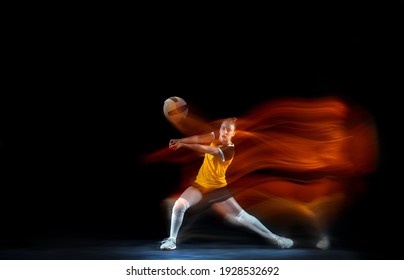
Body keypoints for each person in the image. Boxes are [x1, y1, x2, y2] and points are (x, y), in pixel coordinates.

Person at [160, 117, 294, 250]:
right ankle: (172, 241)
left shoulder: (228, 151)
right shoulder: (215, 137)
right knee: (178, 206)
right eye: (223, 128)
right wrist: (180, 141)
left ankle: (276, 238)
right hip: (200, 186)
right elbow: (198, 139)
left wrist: (183, 145)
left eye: (228, 130)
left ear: (233, 133)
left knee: (242, 216)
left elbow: (207, 149)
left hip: (218, 189)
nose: (224, 131)